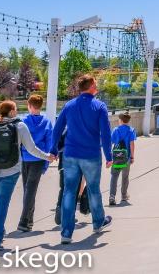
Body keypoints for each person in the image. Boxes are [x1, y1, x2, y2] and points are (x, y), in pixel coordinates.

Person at [0, 100, 55, 252]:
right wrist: (47, 157)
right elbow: (32, 148)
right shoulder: (20, 126)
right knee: (2, 204)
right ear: (12, 112)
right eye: (15, 109)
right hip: (11, 171)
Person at [51, 74, 113, 245]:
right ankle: (98, 222)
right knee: (93, 189)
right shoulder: (99, 106)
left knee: (69, 192)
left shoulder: (69, 105)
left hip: (70, 155)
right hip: (91, 155)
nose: (97, 85)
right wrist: (109, 155)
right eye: (96, 83)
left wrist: (53, 149)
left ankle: (66, 233)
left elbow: (57, 129)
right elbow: (106, 133)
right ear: (91, 86)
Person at [16, 93, 53, 233]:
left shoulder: (23, 121)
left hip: (25, 159)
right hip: (39, 159)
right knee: (31, 190)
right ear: (40, 106)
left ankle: (24, 221)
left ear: (29, 106)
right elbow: (49, 143)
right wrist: (46, 163)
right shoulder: (47, 122)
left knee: (28, 190)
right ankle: (27, 221)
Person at [109, 113, 136, 206]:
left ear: (120, 120)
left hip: (116, 157)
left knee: (114, 176)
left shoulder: (116, 130)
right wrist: (132, 156)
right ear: (128, 121)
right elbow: (132, 144)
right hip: (126, 157)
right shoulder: (131, 130)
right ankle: (124, 196)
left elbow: (110, 143)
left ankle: (112, 196)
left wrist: (109, 157)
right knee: (125, 177)